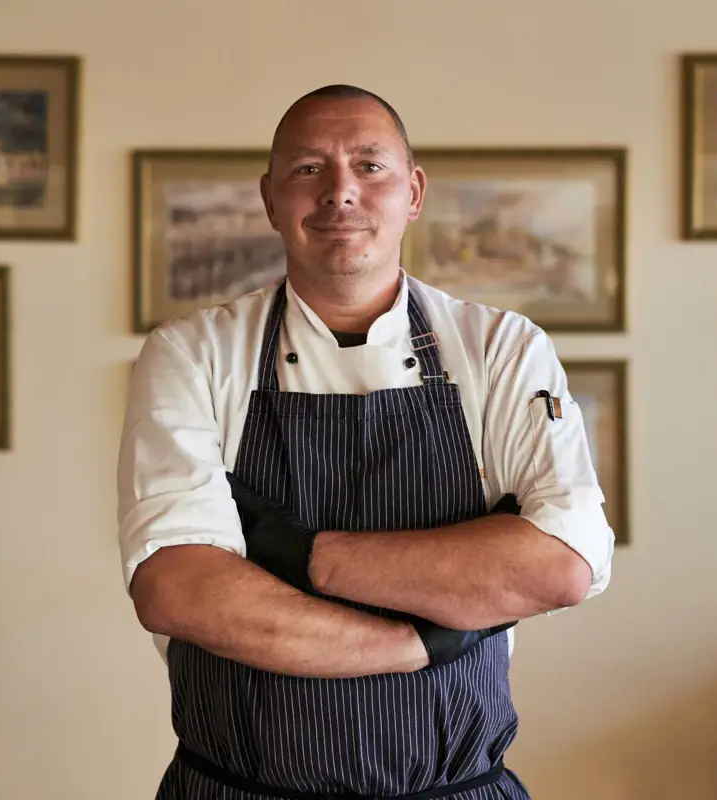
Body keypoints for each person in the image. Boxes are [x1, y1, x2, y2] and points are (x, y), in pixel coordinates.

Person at [117, 84, 615, 800]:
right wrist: (414, 643)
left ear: (413, 191)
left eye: (370, 166)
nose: (339, 192)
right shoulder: (192, 354)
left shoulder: (501, 349)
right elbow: (179, 590)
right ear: (269, 197)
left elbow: (559, 567)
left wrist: (296, 552)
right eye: (308, 169)